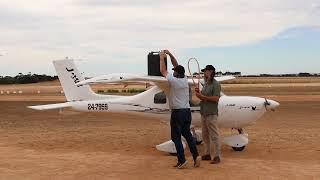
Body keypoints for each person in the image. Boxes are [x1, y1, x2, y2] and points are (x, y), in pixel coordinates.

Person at [159, 49, 201, 169]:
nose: (174, 72)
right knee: (187, 134)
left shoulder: (174, 80)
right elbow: (176, 65)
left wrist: (162, 57)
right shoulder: (184, 79)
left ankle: (182, 160)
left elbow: (163, 71)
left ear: (177, 74)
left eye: (175, 72)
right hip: (187, 112)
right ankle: (196, 155)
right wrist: (170, 54)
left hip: (178, 113)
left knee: (175, 137)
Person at [195, 65, 222, 164]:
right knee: (205, 135)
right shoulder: (206, 83)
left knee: (214, 136)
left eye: (205, 71)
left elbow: (216, 99)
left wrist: (202, 96)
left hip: (211, 113)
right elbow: (202, 97)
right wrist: (198, 94)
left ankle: (217, 156)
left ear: (210, 71)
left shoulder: (216, 84)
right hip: (204, 113)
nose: (204, 73)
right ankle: (207, 154)